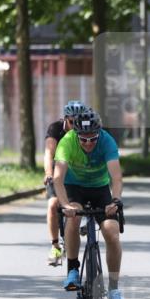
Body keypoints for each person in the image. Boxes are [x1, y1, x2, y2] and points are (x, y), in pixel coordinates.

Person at [53, 109, 126, 299]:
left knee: (112, 233)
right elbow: (58, 178)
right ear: (76, 134)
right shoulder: (67, 142)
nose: (87, 143)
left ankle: (114, 290)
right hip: (74, 187)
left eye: (92, 139)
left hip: (100, 189)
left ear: (98, 133)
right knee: (73, 219)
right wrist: (65, 204)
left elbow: (116, 177)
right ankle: (73, 269)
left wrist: (115, 200)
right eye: (83, 139)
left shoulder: (107, 141)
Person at [43, 100, 87, 266]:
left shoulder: (87, 129)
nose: (75, 125)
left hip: (80, 173)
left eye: (78, 122)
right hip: (59, 173)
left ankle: (85, 223)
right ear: (65, 119)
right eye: (71, 122)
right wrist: (48, 172)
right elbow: (49, 153)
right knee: (53, 204)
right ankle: (55, 246)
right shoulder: (55, 129)